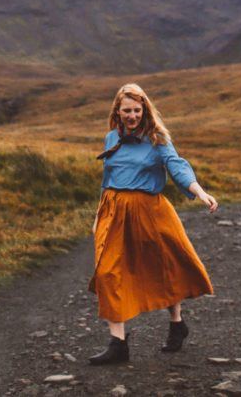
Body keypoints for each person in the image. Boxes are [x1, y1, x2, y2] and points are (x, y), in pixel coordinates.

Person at [86, 82, 218, 366]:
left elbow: (177, 166)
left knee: (162, 268)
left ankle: (177, 323)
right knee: (108, 272)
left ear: (144, 109)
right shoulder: (111, 138)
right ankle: (118, 344)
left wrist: (199, 191)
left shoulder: (158, 138)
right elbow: (107, 179)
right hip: (113, 212)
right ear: (117, 112)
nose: (132, 115)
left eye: (137, 110)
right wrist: (99, 215)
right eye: (127, 111)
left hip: (149, 212)